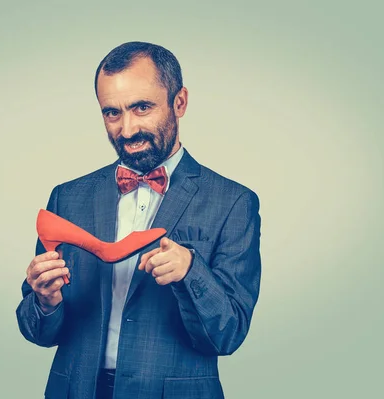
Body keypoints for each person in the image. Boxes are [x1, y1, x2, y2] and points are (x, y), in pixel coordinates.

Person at [16, 41, 262, 399]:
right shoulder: (67, 198)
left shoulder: (233, 202)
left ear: (179, 102)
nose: (127, 130)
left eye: (141, 107)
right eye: (111, 113)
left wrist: (191, 271)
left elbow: (227, 335)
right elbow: (37, 332)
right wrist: (44, 301)